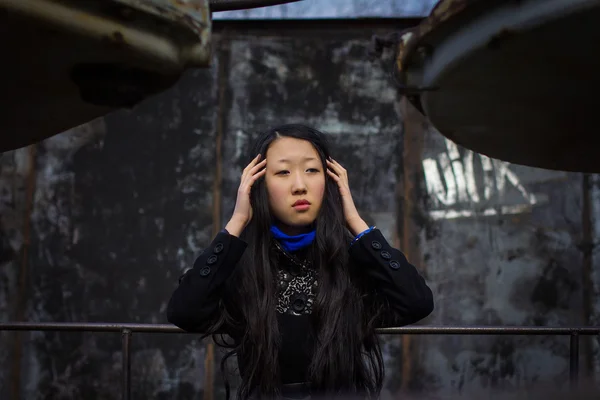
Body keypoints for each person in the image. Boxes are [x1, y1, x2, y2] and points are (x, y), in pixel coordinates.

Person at [167, 124, 434, 400]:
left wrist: (355, 222)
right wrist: (237, 222)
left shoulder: (350, 261)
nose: (299, 186)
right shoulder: (242, 263)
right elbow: (184, 312)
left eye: (311, 170)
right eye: (283, 172)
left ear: (330, 181)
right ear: (258, 184)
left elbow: (417, 302)